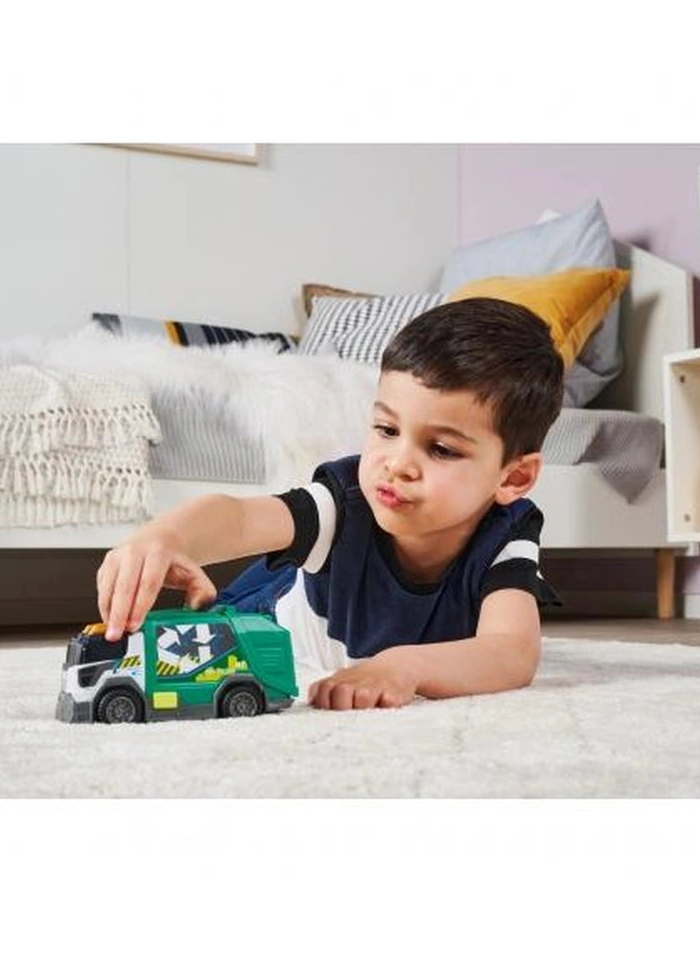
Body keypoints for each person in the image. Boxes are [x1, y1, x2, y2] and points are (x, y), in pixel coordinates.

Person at [96, 298, 565, 710]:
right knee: (177, 651)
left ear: (514, 477)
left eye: (440, 449)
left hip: (373, 644)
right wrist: (163, 538)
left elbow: (511, 652)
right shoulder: (347, 501)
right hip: (263, 618)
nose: (397, 464)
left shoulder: (506, 533)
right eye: (386, 430)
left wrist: (406, 666)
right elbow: (239, 519)